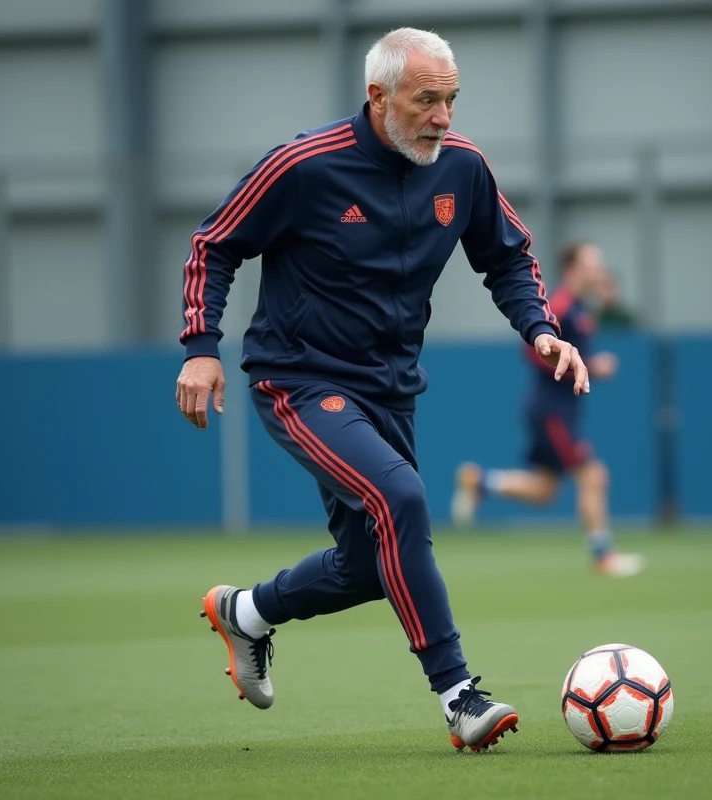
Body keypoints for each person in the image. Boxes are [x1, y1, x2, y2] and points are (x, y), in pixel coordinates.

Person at [175, 28, 589, 753]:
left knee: (371, 565)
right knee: (402, 497)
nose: (444, 117)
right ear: (379, 96)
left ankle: (246, 612)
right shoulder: (303, 166)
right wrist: (201, 349)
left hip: (392, 390)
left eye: (452, 100)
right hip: (297, 381)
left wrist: (541, 329)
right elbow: (215, 245)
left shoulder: (461, 168)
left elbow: (509, 257)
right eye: (428, 100)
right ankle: (460, 695)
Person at [451, 241, 644, 578]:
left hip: (558, 410)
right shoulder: (561, 305)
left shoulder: (581, 308)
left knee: (545, 490)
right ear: (573, 268)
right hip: (552, 410)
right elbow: (533, 352)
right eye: (592, 264)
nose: (598, 270)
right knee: (593, 476)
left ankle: (481, 482)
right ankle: (603, 557)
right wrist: (591, 367)